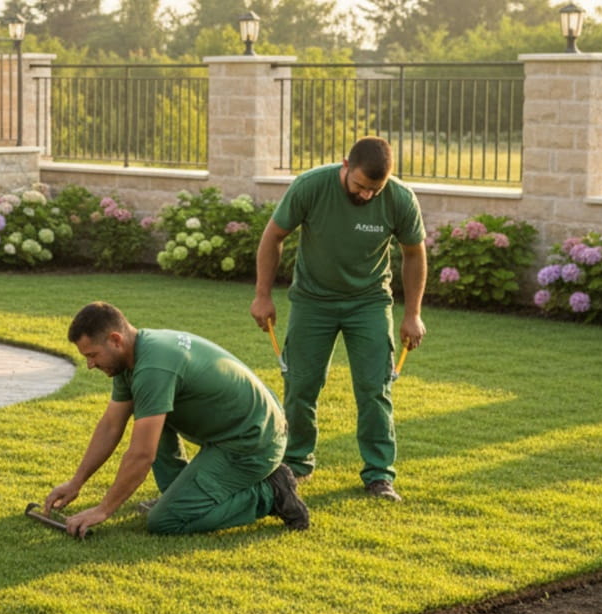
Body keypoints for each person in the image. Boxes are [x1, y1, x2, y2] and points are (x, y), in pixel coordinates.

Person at [250, 136, 426, 503]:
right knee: (301, 385)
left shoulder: (399, 199)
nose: (365, 196)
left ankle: (379, 475)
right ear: (345, 165)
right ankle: (296, 463)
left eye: (374, 190)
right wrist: (263, 295)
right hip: (313, 301)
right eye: (360, 186)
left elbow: (414, 254)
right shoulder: (310, 186)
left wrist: (412, 314)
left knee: (375, 388)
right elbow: (274, 236)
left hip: (369, 302)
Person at [43, 302, 309, 538]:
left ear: (115, 340)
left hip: (253, 440)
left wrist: (103, 510)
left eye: (92, 355)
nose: (90, 365)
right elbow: (111, 425)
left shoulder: (153, 368)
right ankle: (179, 492)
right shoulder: (131, 359)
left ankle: (271, 493)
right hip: (239, 429)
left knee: (166, 520)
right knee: (148, 418)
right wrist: (76, 482)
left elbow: (141, 454)